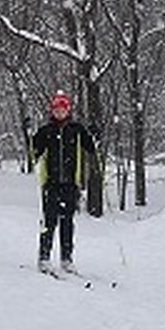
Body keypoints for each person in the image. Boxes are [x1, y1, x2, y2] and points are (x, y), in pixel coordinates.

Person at [31, 89, 98, 272]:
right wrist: (29, 133)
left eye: (63, 109)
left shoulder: (76, 130)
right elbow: (34, 152)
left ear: (68, 110)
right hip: (50, 184)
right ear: (52, 111)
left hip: (70, 184)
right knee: (49, 221)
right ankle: (44, 257)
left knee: (67, 222)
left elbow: (91, 148)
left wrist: (94, 135)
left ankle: (66, 259)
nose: (59, 112)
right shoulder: (46, 131)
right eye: (56, 109)